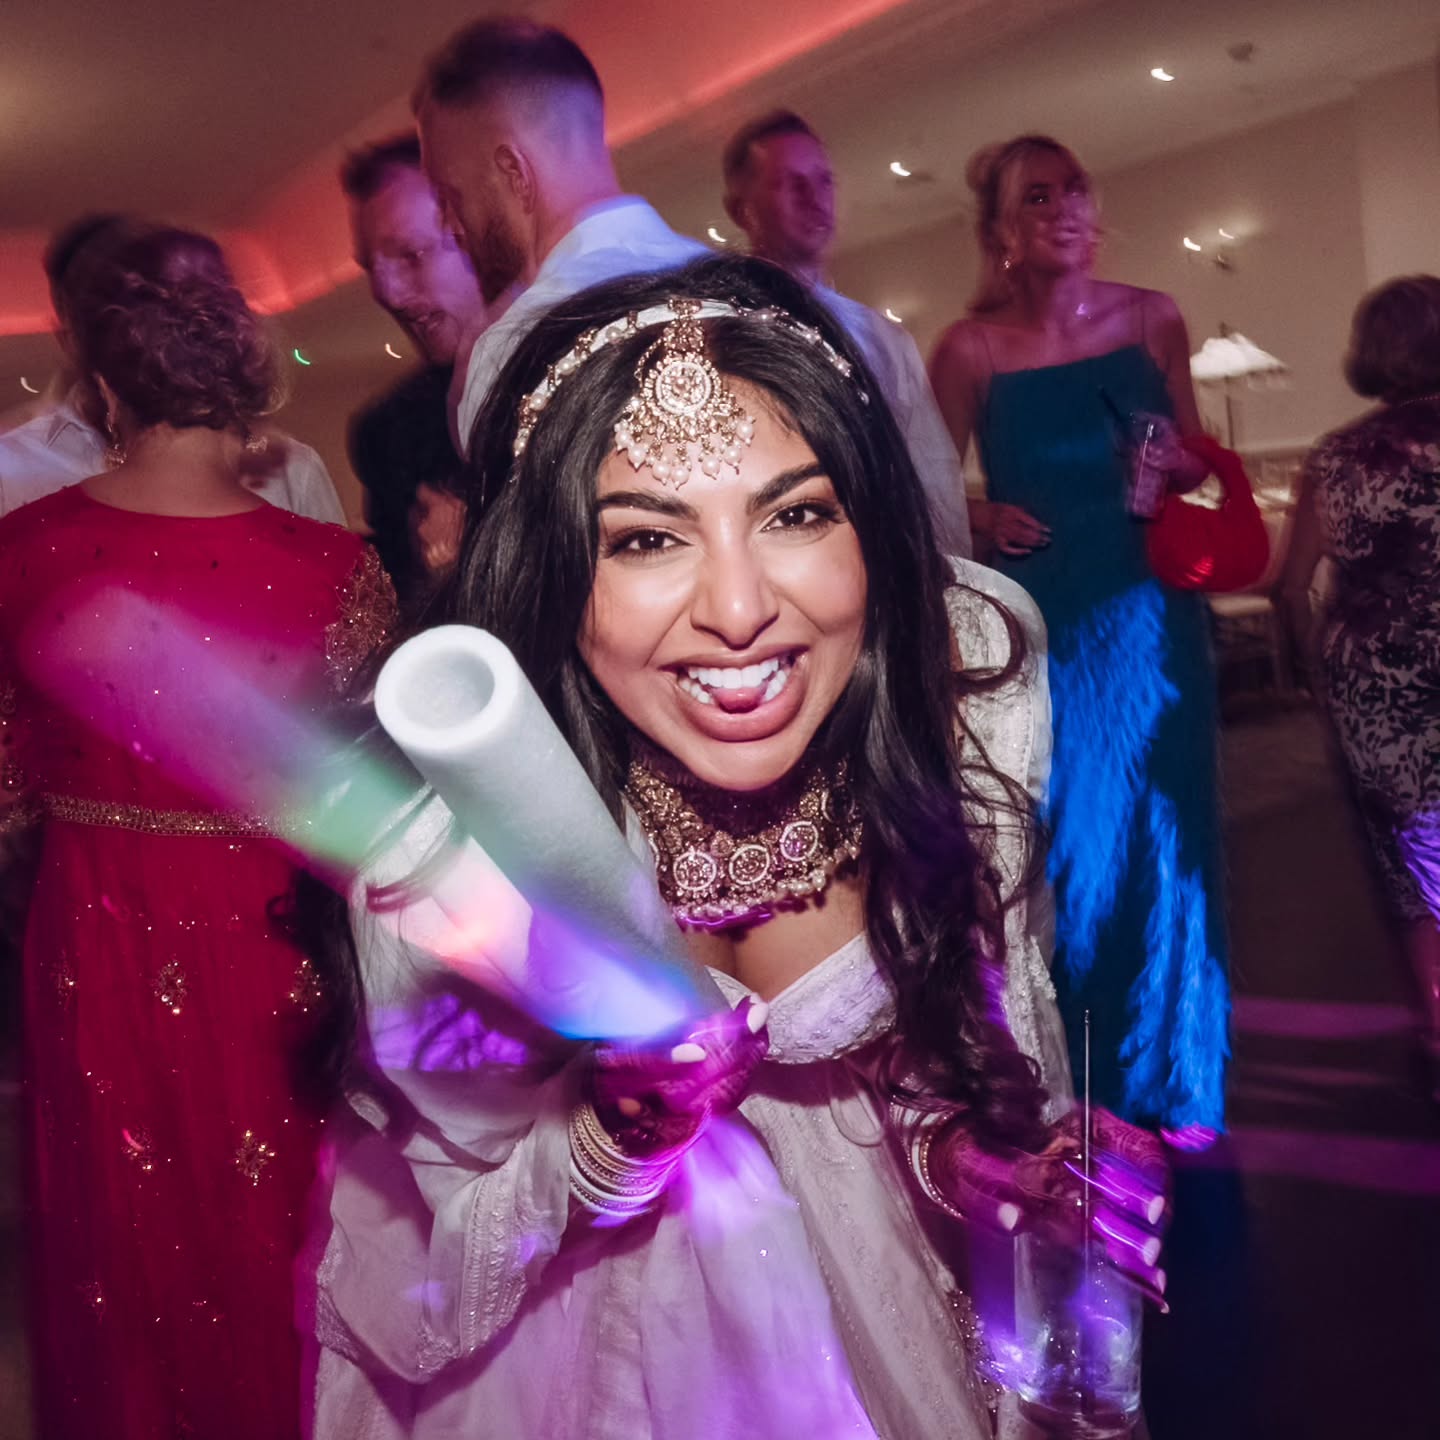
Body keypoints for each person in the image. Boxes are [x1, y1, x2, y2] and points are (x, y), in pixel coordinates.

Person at [307, 257, 1174, 1440]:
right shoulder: (454, 851)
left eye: (798, 513)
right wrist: (612, 1139)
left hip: (877, 1295)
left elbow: (925, 1056)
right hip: (577, 1353)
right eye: (646, 540)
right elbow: (435, 1278)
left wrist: (980, 1159)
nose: (736, 608)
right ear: (558, 571)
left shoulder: (958, 693)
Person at [0, 225, 395, 1440]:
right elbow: (381, 822)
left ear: (104, 380)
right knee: (286, 1245)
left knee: (119, 1250)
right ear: (243, 373)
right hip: (277, 946)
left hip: (94, 947)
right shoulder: (342, 570)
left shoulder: (19, 556)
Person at [929, 135, 1227, 1138]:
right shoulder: (969, 351)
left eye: (1075, 188)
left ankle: (1182, 1078)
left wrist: (1172, 460)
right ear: (1004, 234)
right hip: (1043, 618)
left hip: (1148, 614)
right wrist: (982, 517)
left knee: (1171, 835)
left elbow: (1185, 454)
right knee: (1073, 844)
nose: (1062, 207)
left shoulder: (1154, 318)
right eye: (1036, 195)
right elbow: (923, 487)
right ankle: (1086, 1077)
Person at [414, 16, 708, 462]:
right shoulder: (768, 295)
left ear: (513, 172)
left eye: (452, 196)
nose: (451, 226)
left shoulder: (515, 348)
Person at [1283, 275, 1440, 1091]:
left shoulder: (1338, 455)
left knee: (1412, 865)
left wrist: (1313, 670)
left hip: (1374, 687)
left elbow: (1290, 579)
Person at [722, 110, 972, 554]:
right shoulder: (724, 331)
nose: (813, 198)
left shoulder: (883, 339)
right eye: (789, 183)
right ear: (743, 209)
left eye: (823, 181)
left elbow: (930, 477)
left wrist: (946, 584)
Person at [0, 214, 346, 524]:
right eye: (108, 319)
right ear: (69, 336)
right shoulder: (11, 469)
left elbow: (343, 591)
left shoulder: (292, 471)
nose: (139, 336)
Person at [344, 134, 488, 609]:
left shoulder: (578, 372)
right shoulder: (386, 431)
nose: (386, 292)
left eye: (411, 255)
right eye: (371, 267)